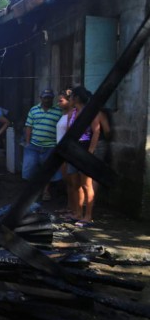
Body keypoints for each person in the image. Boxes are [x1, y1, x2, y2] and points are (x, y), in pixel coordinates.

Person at [65, 86, 101, 227]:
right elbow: (69, 131)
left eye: (72, 96)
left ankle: (88, 216)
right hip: (74, 148)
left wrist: (90, 151)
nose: (70, 99)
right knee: (75, 184)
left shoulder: (90, 113)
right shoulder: (72, 113)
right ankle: (77, 213)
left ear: (77, 98)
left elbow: (96, 132)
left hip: (85, 147)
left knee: (86, 184)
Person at [22, 88, 63, 201]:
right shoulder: (34, 110)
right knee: (30, 169)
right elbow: (29, 126)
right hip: (34, 145)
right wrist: (28, 142)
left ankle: (46, 191)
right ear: (41, 98)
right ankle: (34, 191)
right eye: (45, 97)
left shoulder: (58, 111)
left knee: (48, 170)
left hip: (50, 146)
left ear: (52, 98)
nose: (47, 100)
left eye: (49, 97)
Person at [55, 89, 76, 215]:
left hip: (68, 151)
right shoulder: (63, 114)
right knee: (67, 181)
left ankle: (74, 209)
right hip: (61, 150)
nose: (58, 103)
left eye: (61, 101)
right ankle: (69, 206)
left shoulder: (72, 114)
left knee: (72, 182)